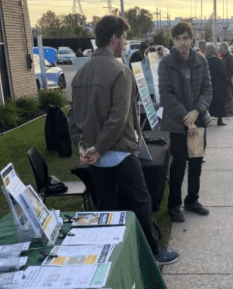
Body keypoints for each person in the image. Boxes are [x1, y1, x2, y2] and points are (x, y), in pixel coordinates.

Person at [69, 15, 179, 265]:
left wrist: (83, 146)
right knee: (141, 200)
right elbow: (118, 118)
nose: (126, 43)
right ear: (115, 39)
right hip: (117, 151)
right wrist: (97, 148)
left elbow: (72, 116)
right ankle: (153, 252)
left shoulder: (81, 73)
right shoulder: (120, 71)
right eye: (125, 37)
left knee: (106, 204)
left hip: (96, 154)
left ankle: (108, 254)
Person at [158, 21, 212, 222]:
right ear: (173, 40)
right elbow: (165, 95)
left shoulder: (201, 61)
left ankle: (192, 200)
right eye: (178, 38)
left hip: (197, 123)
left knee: (196, 163)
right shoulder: (166, 63)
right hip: (176, 125)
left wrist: (197, 112)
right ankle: (174, 205)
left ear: (192, 39)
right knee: (178, 165)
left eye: (186, 38)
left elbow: (207, 90)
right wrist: (186, 118)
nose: (182, 42)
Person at [207, 44, 228, 126]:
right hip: (219, 85)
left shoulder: (206, 61)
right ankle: (220, 120)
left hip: (209, 84)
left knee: (210, 103)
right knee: (220, 103)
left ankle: (208, 120)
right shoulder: (219, 61)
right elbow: (224, 73)